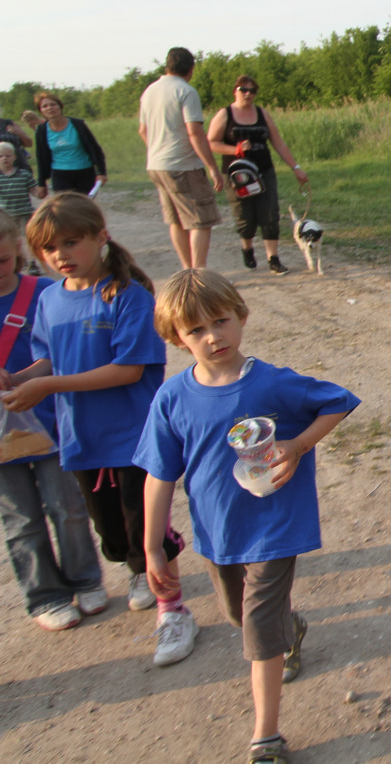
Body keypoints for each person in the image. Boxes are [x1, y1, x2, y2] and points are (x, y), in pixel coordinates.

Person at [138, 269, 359, 764]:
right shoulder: (172, 398)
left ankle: (266, 738)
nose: (212, 336)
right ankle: (288, 627)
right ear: (176, 337)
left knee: (256, 628)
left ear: (241, 316)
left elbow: (337, 401)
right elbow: (158, 475)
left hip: (275, 526)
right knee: (238, 615)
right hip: (219, 531)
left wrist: (298, 445)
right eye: (196, 329)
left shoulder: (272, 382)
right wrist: (153, 546)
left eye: (220, 321)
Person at [0, 192, 197, 666]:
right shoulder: (50, 299)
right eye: (49, 248)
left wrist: (47, 385)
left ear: (101, 236)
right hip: (81, 439)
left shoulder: (128, 296)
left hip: (134, 438)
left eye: (71, 242)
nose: (60, 255)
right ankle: (137, 566)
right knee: (112, 533)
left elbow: (129, 370)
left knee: (147, 529)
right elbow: (49, 358)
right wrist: (19, 380)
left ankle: (174, 611)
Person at [0, 212, 105, 631]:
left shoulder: (45, 292)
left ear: (17, 249)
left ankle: (86, 579)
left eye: (2, 260)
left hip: (51, 422)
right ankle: (46, 595)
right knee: (20, 520)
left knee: (69, 507)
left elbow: (69, 347)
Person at [207, 76, 309, 275]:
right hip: (237, 175)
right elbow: (211, 142)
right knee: (245, 216)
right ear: (235, 91)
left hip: (263, 171)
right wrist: (235, 149)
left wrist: (295, 167)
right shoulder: (225, 114)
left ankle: (273, 259)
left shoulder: (262, 114)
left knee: (269, 213)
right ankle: (247, 248)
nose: (248, 94)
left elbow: (278, 143)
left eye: (252, 91)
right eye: (243, 90)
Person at [139, 46, 225, 269]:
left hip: (156, 164)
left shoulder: (149, 91)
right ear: (191, 68)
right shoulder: (185, 91)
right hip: (183, 165)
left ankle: (188, 270)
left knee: (176, 219)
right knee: (200, 220)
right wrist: (212, 167)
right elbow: (194, 132)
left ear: (167, 66)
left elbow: (143, 130)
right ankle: (198, 273)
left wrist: (157, 150)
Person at [33, 92, 107, 196]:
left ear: (60, 106)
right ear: (41, 111)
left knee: (83, 204)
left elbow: (95, 149)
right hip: (60, 173)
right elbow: (41, 157)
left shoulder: (78, 125)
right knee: (64, 204)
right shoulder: (42, 130)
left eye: (53, 104)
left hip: (84, 172)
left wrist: (101, 172)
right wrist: (41, 183)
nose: (49, 108)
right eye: (45, 106)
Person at [0, 143, 46, 274]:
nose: (4, 158)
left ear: (14, 157)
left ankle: (32, 263)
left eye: (8, 156)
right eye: (1, 156)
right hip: (5, 216)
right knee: (8, 240)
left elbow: (35, 191)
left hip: (24, 212)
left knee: (27, 239)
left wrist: (41, 192)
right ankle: (16, 261)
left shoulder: (24, 175)